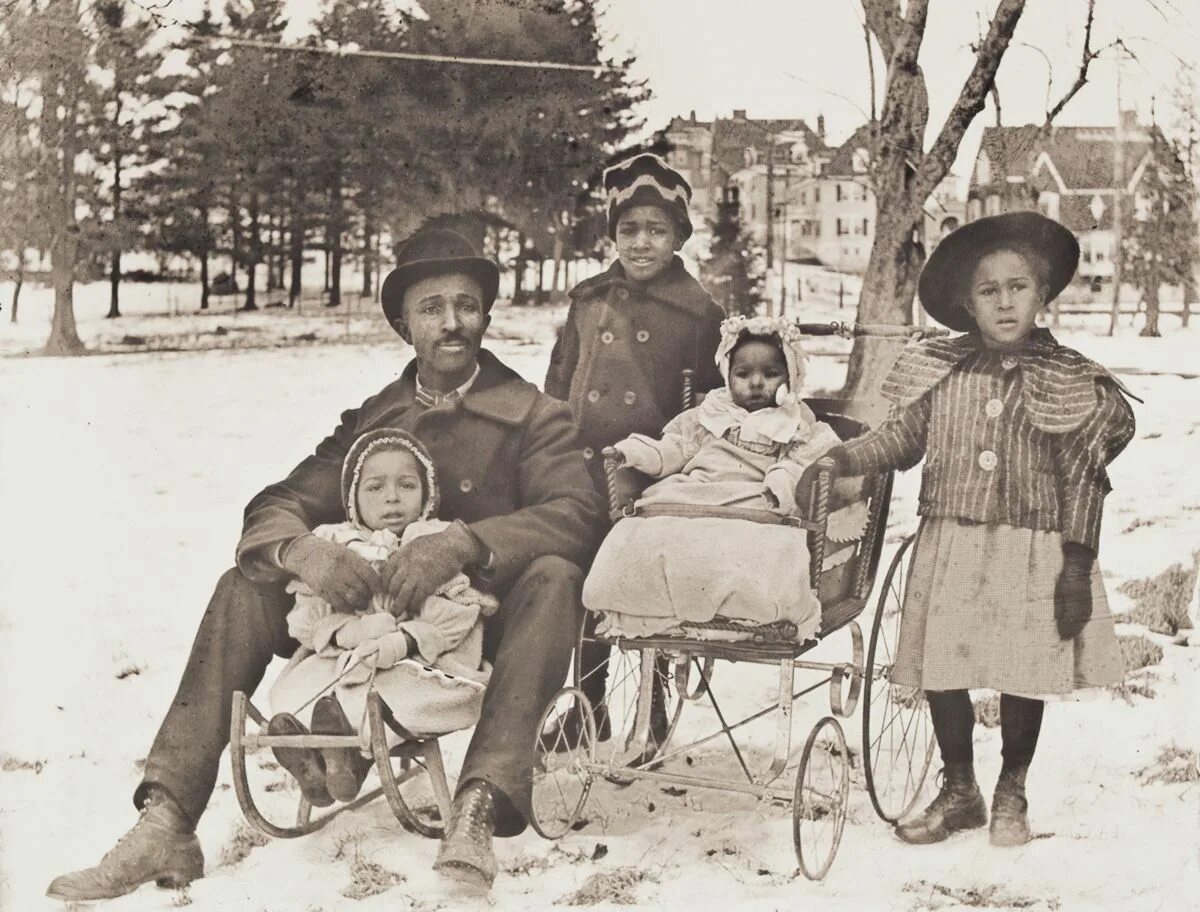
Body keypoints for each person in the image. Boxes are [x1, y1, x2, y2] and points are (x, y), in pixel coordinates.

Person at [47, 228, 606, 901]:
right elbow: (280, 502)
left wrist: (463, 544)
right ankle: (166, 817)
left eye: (467, 305)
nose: (452, 323)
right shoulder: (375, 420)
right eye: (432, 308)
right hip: (364, 615)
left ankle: (479, 805)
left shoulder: (536, 417)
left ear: (487, 315)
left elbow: (576, 513)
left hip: (472, 623)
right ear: (404, 324)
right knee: (244, 586)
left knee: (556, 577)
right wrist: (301, 550)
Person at [799, 211, 1137, 848]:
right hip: (950, 537)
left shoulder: (1068, 380)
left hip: (1032, 545)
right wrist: (843, 457)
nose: (1005, 301)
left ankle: (1013, 787)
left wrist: (1074, 562)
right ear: (966, 305)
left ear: (1042, 297)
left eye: (1018, 287)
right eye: (989, 291)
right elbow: (902, 440)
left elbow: (1085, 479)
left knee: (1021, 667)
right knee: (942, 666)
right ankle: (960, 789)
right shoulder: (940, 370)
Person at [544, 152, 725, 734]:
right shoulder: (589, 299)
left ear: (678, 237)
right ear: (613, 234)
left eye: (657, 230)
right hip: (582, 465)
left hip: (653, 471)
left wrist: (679, 463)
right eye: (629, 230)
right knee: (584, 585)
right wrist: (547, 443)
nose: (641, 243)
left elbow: (710, 406)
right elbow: (560, 378)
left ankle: (653, 708)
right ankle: (587, 706)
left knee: (645, 588)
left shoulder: (699, 312)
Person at [266, 428, 498, 806]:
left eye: (406, 486)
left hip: (421, 659)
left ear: (426, 494)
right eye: (375, 488)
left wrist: (402, 639)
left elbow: (460, 614)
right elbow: (306, 618)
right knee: (304, 689)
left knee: (396, 695)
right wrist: (348, 631)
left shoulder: (433, 542)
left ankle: (345, 757)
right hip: (350, 658)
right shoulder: (336, 543)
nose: (392, 497)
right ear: (353, 498)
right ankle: (321, 760)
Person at [582, 316, 846, 643]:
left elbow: (806, 459)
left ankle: (742, 610)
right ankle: (641, 603)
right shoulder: (710, 415)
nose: (756, 383)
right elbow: (675, 449)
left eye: (771, 373)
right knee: (645, 531)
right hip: (692, 493)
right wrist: (636, 452)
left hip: (753, 498)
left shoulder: (794, 421)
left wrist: (781, 479)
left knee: (753, 544)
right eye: (743, 374)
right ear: (727, 375)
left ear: (790, 375)